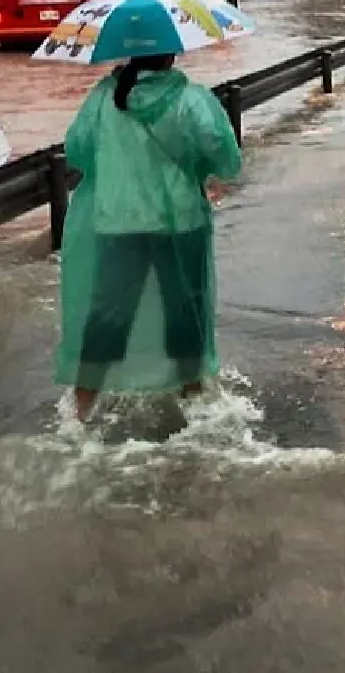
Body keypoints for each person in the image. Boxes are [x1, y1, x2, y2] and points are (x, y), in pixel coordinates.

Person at [59, 53, 243, 422]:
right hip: (180, 221)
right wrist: (200, 170)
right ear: (171, 54)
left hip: (117, 221)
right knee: (184, 310)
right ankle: (194, 402)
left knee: (107, 315)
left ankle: (81, 407)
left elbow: (76, 151)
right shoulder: (191, 99)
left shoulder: (103, 98)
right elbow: (226, 158)